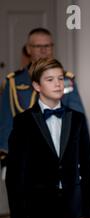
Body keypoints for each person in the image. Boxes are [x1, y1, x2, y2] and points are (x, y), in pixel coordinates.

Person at [5, 58, 90, 218]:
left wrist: (87, 212)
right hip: (36, 213)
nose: (57, 84)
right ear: (36, 86)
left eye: (60, 78)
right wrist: (20, 217)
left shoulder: (76, 119)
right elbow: (15, 175)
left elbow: (88, 167)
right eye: (50, 79)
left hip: (70, 211)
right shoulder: (23, 122)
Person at [0, 28, 85, 162]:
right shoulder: (13, 81)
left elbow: (77, 118)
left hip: (58, 151)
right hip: (24, 153)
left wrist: (79, 154)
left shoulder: (66, 80)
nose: (43, 50)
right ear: (28, 49)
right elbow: (6, 121)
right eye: (38, 46)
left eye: (47, 46)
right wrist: (6, 154)